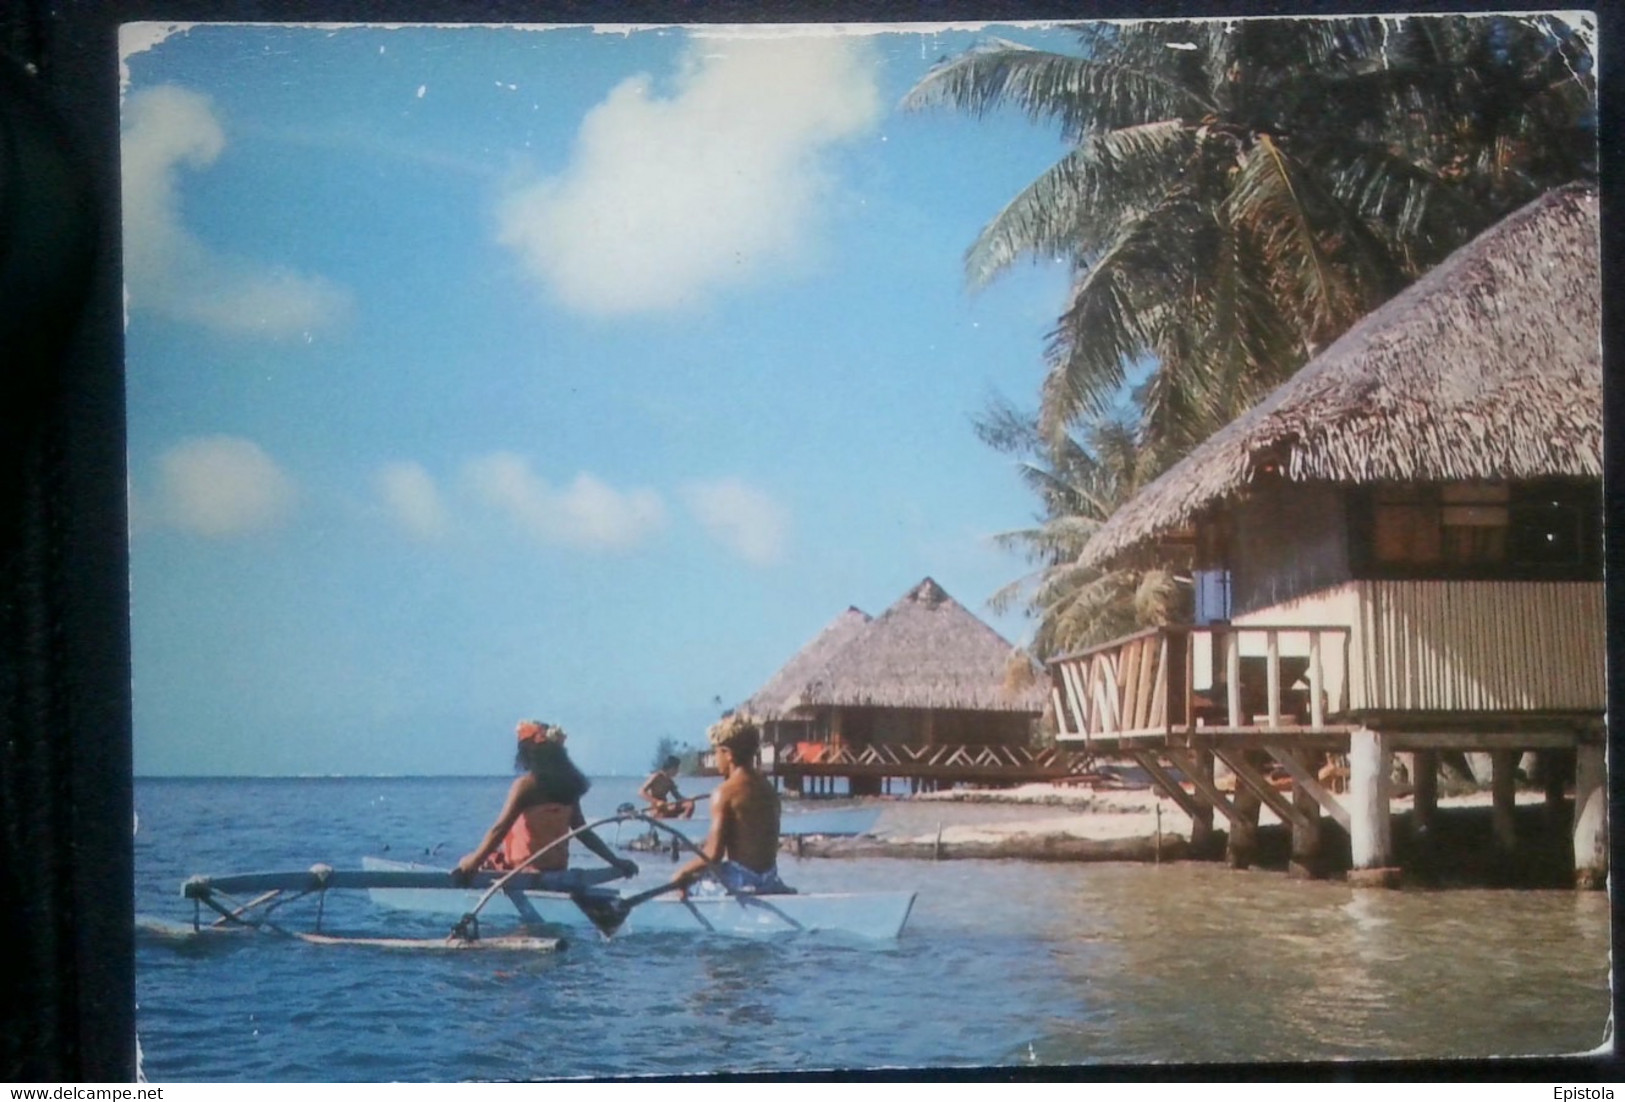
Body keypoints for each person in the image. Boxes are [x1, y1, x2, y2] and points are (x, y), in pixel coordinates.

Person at [453, 719, 637, 884]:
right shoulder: (568, 785)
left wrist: (472, 863)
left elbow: (499, 829)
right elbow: (584, 833)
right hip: (557, 868)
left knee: (470, 859)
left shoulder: (526, 786)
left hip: (522, 870)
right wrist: (616, 862)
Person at [672, 723, 791, 896]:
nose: (715, 757)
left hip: (742, 879)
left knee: (685, 884)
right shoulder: (768, 789)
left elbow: (713, 854)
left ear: (728, 754)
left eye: (716, 751)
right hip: (769, 878)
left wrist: (682, 873)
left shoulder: (724, 793)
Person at [639, 755, 697, 819]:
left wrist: (688, 799)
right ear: (671, 768)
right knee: (659, 811)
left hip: (666, 807)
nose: (677, 771)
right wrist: (656, 802)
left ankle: (683, 822)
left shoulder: (670, 782)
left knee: (689, 804)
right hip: (655, 808)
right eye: (676, 769)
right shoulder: (656, 777)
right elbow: (641, 792)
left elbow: (678, 797)